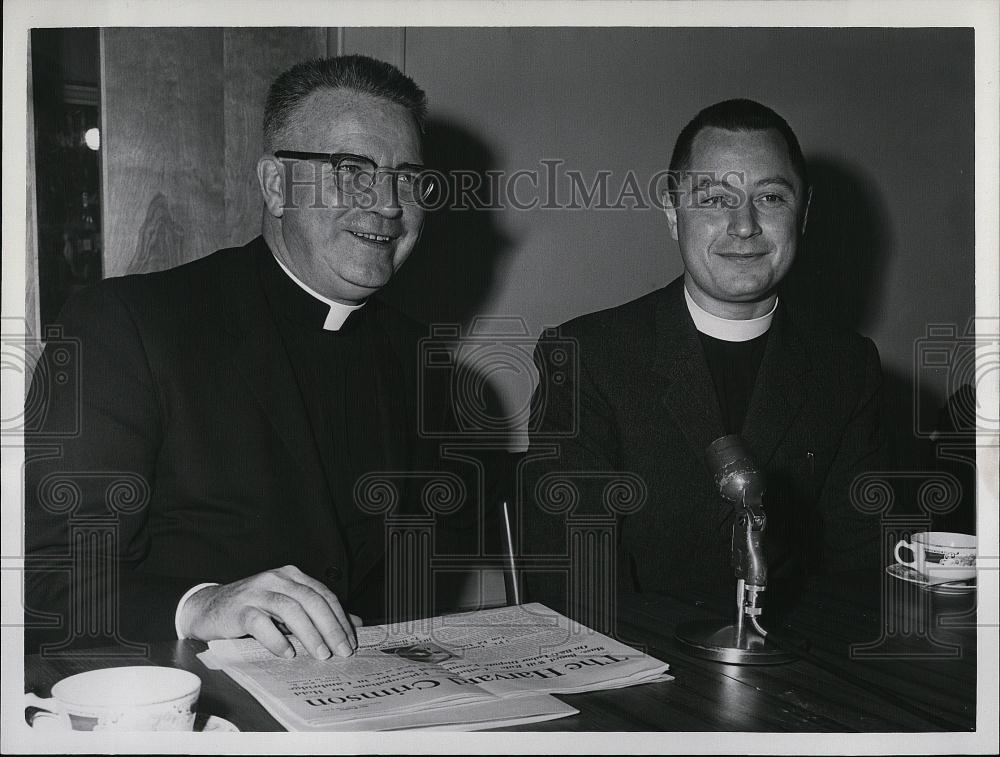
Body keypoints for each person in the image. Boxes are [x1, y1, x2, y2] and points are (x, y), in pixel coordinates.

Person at [24, 55, 448, 659]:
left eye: (408, 178)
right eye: (350, 171)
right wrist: (200, 605)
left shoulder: (420, 356)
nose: (386, 204)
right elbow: (40, 581)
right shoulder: (126, 325)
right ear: (276, 186)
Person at [522, 99, 885, 617]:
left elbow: (858, 576)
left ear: (803, 215)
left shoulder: (847, 367)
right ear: (673, 214)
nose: (744, 224)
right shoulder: (587, 357)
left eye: (771, 197)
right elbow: (577, 587)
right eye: (716, 198)